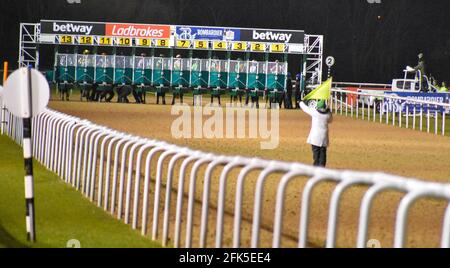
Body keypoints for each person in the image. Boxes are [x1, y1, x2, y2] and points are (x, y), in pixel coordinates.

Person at [300, 100, 333, 167]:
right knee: (323, 153)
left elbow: (305, 108)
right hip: (324, 137)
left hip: (315, 137)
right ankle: (322, 167)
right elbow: (330, 120)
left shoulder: (315, 112)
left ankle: (316, 166)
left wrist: (301, 102)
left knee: (316, 153)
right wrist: (329, 111)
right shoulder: (328, 114)